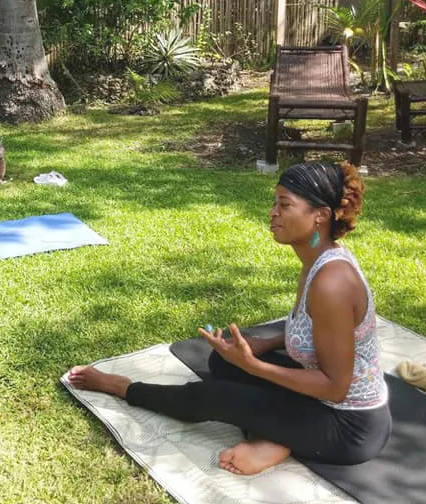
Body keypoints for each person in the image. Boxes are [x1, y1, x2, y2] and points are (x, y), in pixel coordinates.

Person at [68, 161, 391, 476]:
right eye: (274, 202)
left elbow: (335, 388)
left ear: (319, 215)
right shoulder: (317, 259)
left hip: (349, 427)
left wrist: (255, 366)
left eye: (284, 204)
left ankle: (124, 387)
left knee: (213, 396)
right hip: (321, 402)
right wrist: (264, 345)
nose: (272, 212)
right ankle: (276, 438)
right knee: (223, 364)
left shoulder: (331, 281)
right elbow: (319, 330)